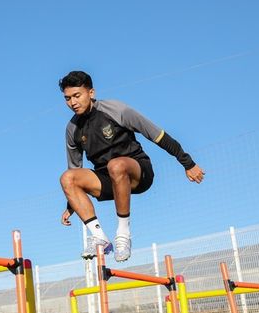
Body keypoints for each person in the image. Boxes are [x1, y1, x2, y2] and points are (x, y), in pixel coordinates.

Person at [58, 71, 205, 262]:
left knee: (116, 165)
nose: (72, 102)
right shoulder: (72, 129)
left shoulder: (116, 109)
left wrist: (188, 163)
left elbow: (156, 135)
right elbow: (75, 169)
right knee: (67, 177)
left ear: (91, 93)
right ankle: (99, 238)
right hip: (107, 180)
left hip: (137, 172)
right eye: (67, 98)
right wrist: (71, 204)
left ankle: (123, 235)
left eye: (77, 96)